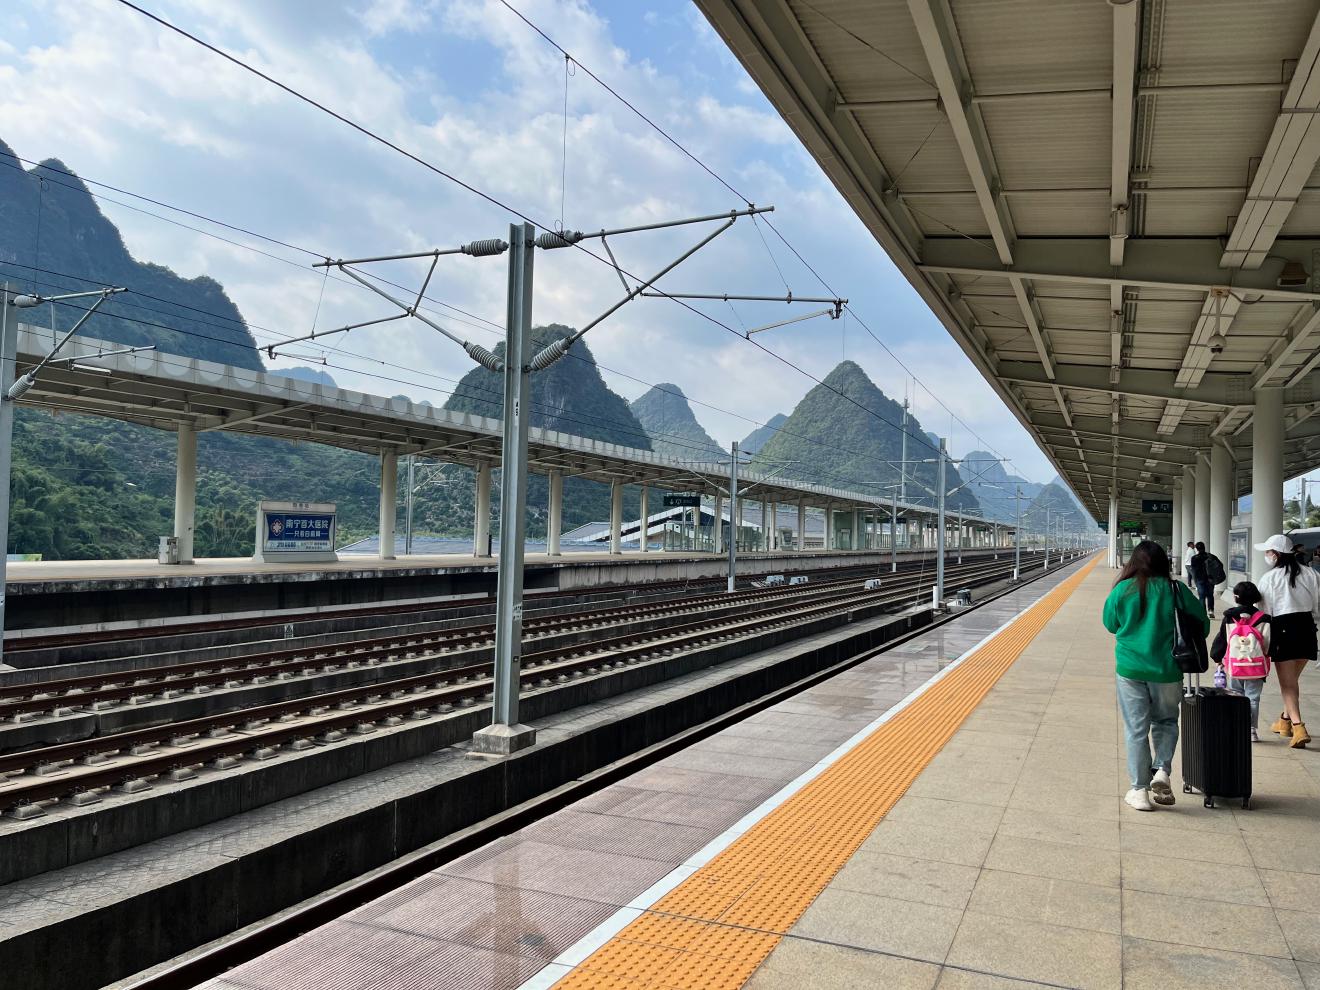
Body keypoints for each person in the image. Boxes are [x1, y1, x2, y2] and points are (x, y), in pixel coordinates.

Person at [1103, 540, 1208, 811]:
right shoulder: (1177, 591)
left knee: (1136, 729)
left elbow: (1110, 624)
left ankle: (1139, 790)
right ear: (1165, 563)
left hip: (1130, 669)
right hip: (1167, 670)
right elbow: (1202, 627)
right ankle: (1161, 770)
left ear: (1133, 564)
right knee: (1166, 722)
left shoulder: (1122, 590)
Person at [1254, 533, 1320, 749]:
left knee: (1288, 684)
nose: (1266, 555)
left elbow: (1264, 611)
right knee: (1292, 681)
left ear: (1275, 554)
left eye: (1267, 551)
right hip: (1307, 627)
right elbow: (1317, 604)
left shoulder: (1270, 578)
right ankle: (1284, 721)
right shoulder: (1311, 573)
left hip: (1282, 629)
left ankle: (1299, 727)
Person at [1210, 581, 1271, 742]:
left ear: (1236, 597)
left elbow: (1223, 639)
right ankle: (1251, 730)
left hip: (1235, 665)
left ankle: (1237, 726)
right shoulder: (1264, 618)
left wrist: (1218, 658)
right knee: (1253, 698)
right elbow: (1267, 643)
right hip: (1256, 666)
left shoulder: (1230, 617)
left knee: (1236, 695)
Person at [1187, 541, 1216, 618]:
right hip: (1210, 579)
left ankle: (1203, 612)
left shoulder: (1194, 558)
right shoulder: (1210, 556)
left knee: (1202, 596)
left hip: (1200, 580)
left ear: (1197, 549)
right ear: (1204, 547)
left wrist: (1195, 580)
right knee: (1210, 595)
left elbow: (1194, 570)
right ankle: (1211, 610)